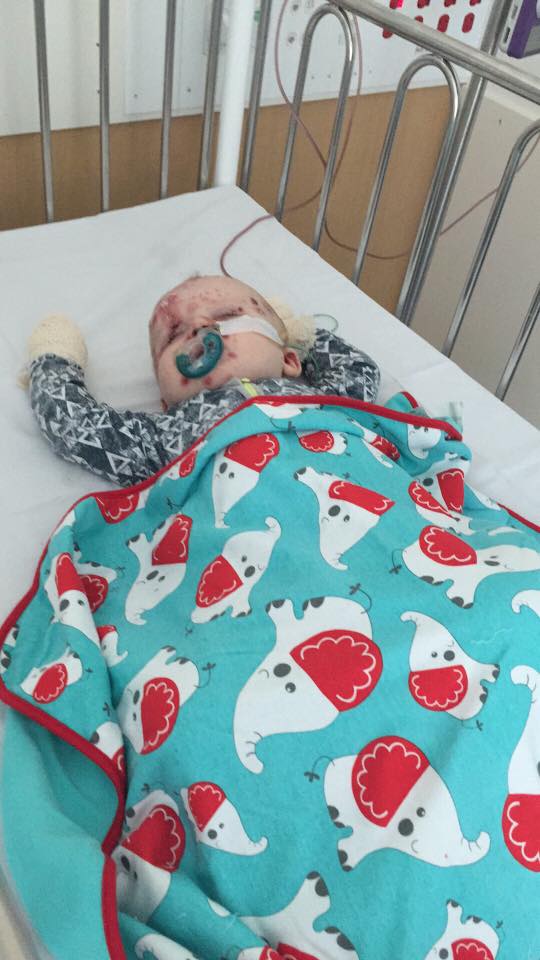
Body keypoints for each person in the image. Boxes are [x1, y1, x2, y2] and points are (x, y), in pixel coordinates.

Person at [24, 275, 380, 487]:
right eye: (173, 335)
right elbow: (75, 427)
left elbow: (357, 369)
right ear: (166, 402)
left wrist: (297, 334)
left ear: (290, 361)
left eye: (228, 315)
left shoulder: (322, 403)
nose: (198, 328)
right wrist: (54, 359)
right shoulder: (168, 436)